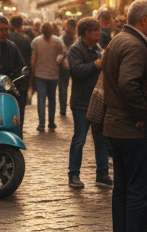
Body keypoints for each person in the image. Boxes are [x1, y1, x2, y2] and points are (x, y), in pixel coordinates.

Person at [102, 0, 147, 232]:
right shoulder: (135, 45)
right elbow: (128, 85)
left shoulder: (118, 40)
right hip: (132, 130)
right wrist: (146, 117)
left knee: (124, 189)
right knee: (140, 189)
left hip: (117, 126)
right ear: (143, 20)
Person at [67, 17, 110, 189]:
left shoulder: (98, 48)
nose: (99, 34)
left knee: (101, 139)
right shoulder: (76, 49)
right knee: (79, 139)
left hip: (98, 101)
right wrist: (95, 65)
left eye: (99, 30)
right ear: (87, 33)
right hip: (81, 102)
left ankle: (102, 174)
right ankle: (73, 174)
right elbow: (77, 70)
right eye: (96, 31)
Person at [31, 22, 63, 132]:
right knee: (52, 99)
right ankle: (51, 122)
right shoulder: (58, 41)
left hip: (40, 74)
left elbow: (33, 59)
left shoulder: (36, 41)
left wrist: (32, 72)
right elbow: (65, 53)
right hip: (53, 75)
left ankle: (41, 124)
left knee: (41, 99)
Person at [57, 18, 76, 117]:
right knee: (64, 88)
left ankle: (65, 108)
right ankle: (63, 109)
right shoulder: (63, 39)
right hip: (66, 66)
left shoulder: (63, 38)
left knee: (66, 88)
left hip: (72, 66)